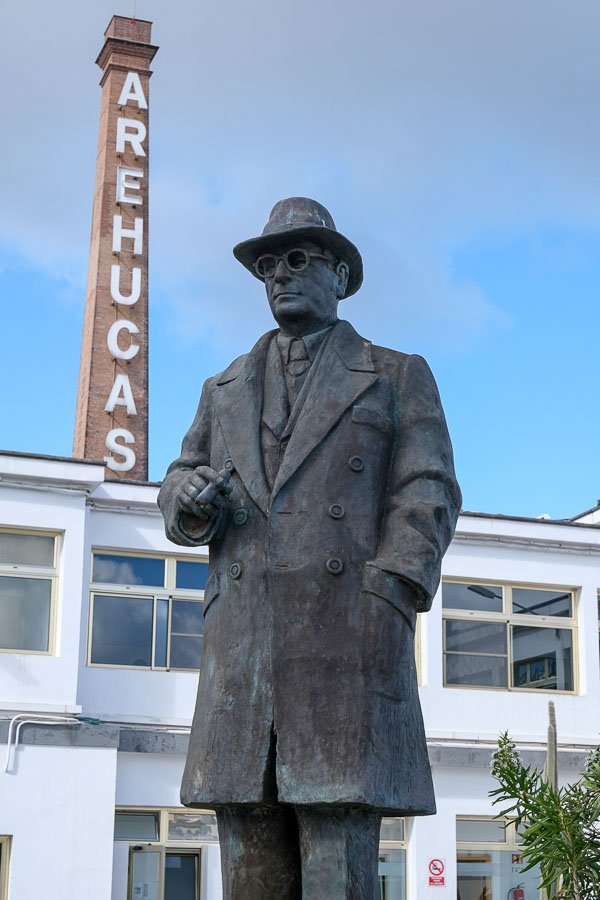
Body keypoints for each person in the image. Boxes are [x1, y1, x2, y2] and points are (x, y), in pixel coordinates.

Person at [158, 197, 461, 899]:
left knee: (336, 859)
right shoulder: (224, 386)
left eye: (298, 259)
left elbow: (429, 490)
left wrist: (388, 595)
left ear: (341, 274)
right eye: (268, 266)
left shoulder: (392, 373)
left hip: (345, 648)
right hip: (244, 655)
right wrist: (187, 498)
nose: (280, 277)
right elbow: (178, 479)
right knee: (250, 864)